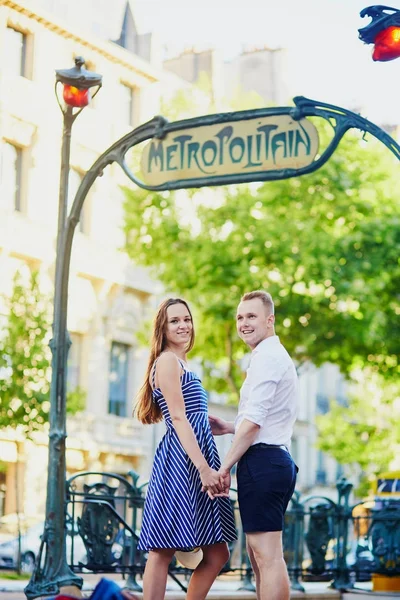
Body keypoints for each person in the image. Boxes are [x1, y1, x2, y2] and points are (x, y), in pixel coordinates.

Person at [135, 298, 237, 600]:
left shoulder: (182, 364)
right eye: (175, 321)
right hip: (182, 462)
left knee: (217, 553)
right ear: (163, 329)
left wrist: (223, 427)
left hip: (197, 451)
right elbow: (177, 418)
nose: (183, 326)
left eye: (187, 319)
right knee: (162, 550)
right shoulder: (166, 361)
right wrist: (204, 468)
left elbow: (189, 416)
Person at [208, 290, 298, 600]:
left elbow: (255, 423)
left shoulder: (269, 358)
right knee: (261, 557)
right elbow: (261, 420)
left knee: (267, 557)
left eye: (252, 316)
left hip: (264, 463)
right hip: (269, 460)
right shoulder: (266, 356)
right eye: (240, 317)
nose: (244, 323)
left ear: (270, 320)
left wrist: (223, 467)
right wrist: (231, 426)